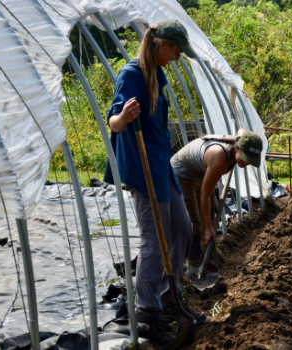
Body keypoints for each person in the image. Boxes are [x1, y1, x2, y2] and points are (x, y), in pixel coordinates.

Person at [104, 19, 204, 344]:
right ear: (163, 45)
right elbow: (114, 122)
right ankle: (146, 313)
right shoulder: (130, 75)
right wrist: (124, 118)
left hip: (162, 165)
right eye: (176, 50)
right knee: (153, 241)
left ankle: (165, 296)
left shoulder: (158, 76)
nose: (178, 57)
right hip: (142, 169)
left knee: (183, 229)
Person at [171, 129, 263, 288]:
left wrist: (237, 137)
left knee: (211, 227)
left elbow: (242, 130)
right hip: (181, 174)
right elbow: (204, 196)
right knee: (196, 226)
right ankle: (195, 274)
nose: (246, 163)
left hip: (200, 173)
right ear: (237, 148)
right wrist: (207, 228)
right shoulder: (219, 157)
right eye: (245, 158)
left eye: (250, 160)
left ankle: (211, 274)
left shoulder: (238, 144)